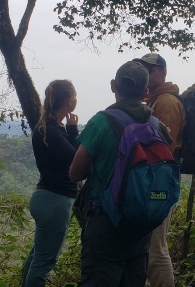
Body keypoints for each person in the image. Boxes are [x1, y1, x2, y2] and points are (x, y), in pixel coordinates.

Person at [69, 61, 172, 286]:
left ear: (114, 85)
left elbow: (75, 173)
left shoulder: (100, 122)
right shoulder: (157, 126)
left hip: (105, 223)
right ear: (145, 92)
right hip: (140, 226)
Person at [133, 53, 185, 287]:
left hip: (159, 182)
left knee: (156, 248)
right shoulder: (154, 101)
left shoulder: (166, 102)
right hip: (153, 180)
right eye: (143, 69)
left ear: (163, 71)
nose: (146, 73)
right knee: (148, 245)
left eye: (150, 69)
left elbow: (166, 146)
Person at [21, 80, 80, 287]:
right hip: (56, 200)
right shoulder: (53, 130)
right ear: (69, 101)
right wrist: (74, 131)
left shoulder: (50, 126)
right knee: (44, 262)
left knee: (37, 256)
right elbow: (76, 159)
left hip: (45, 197)